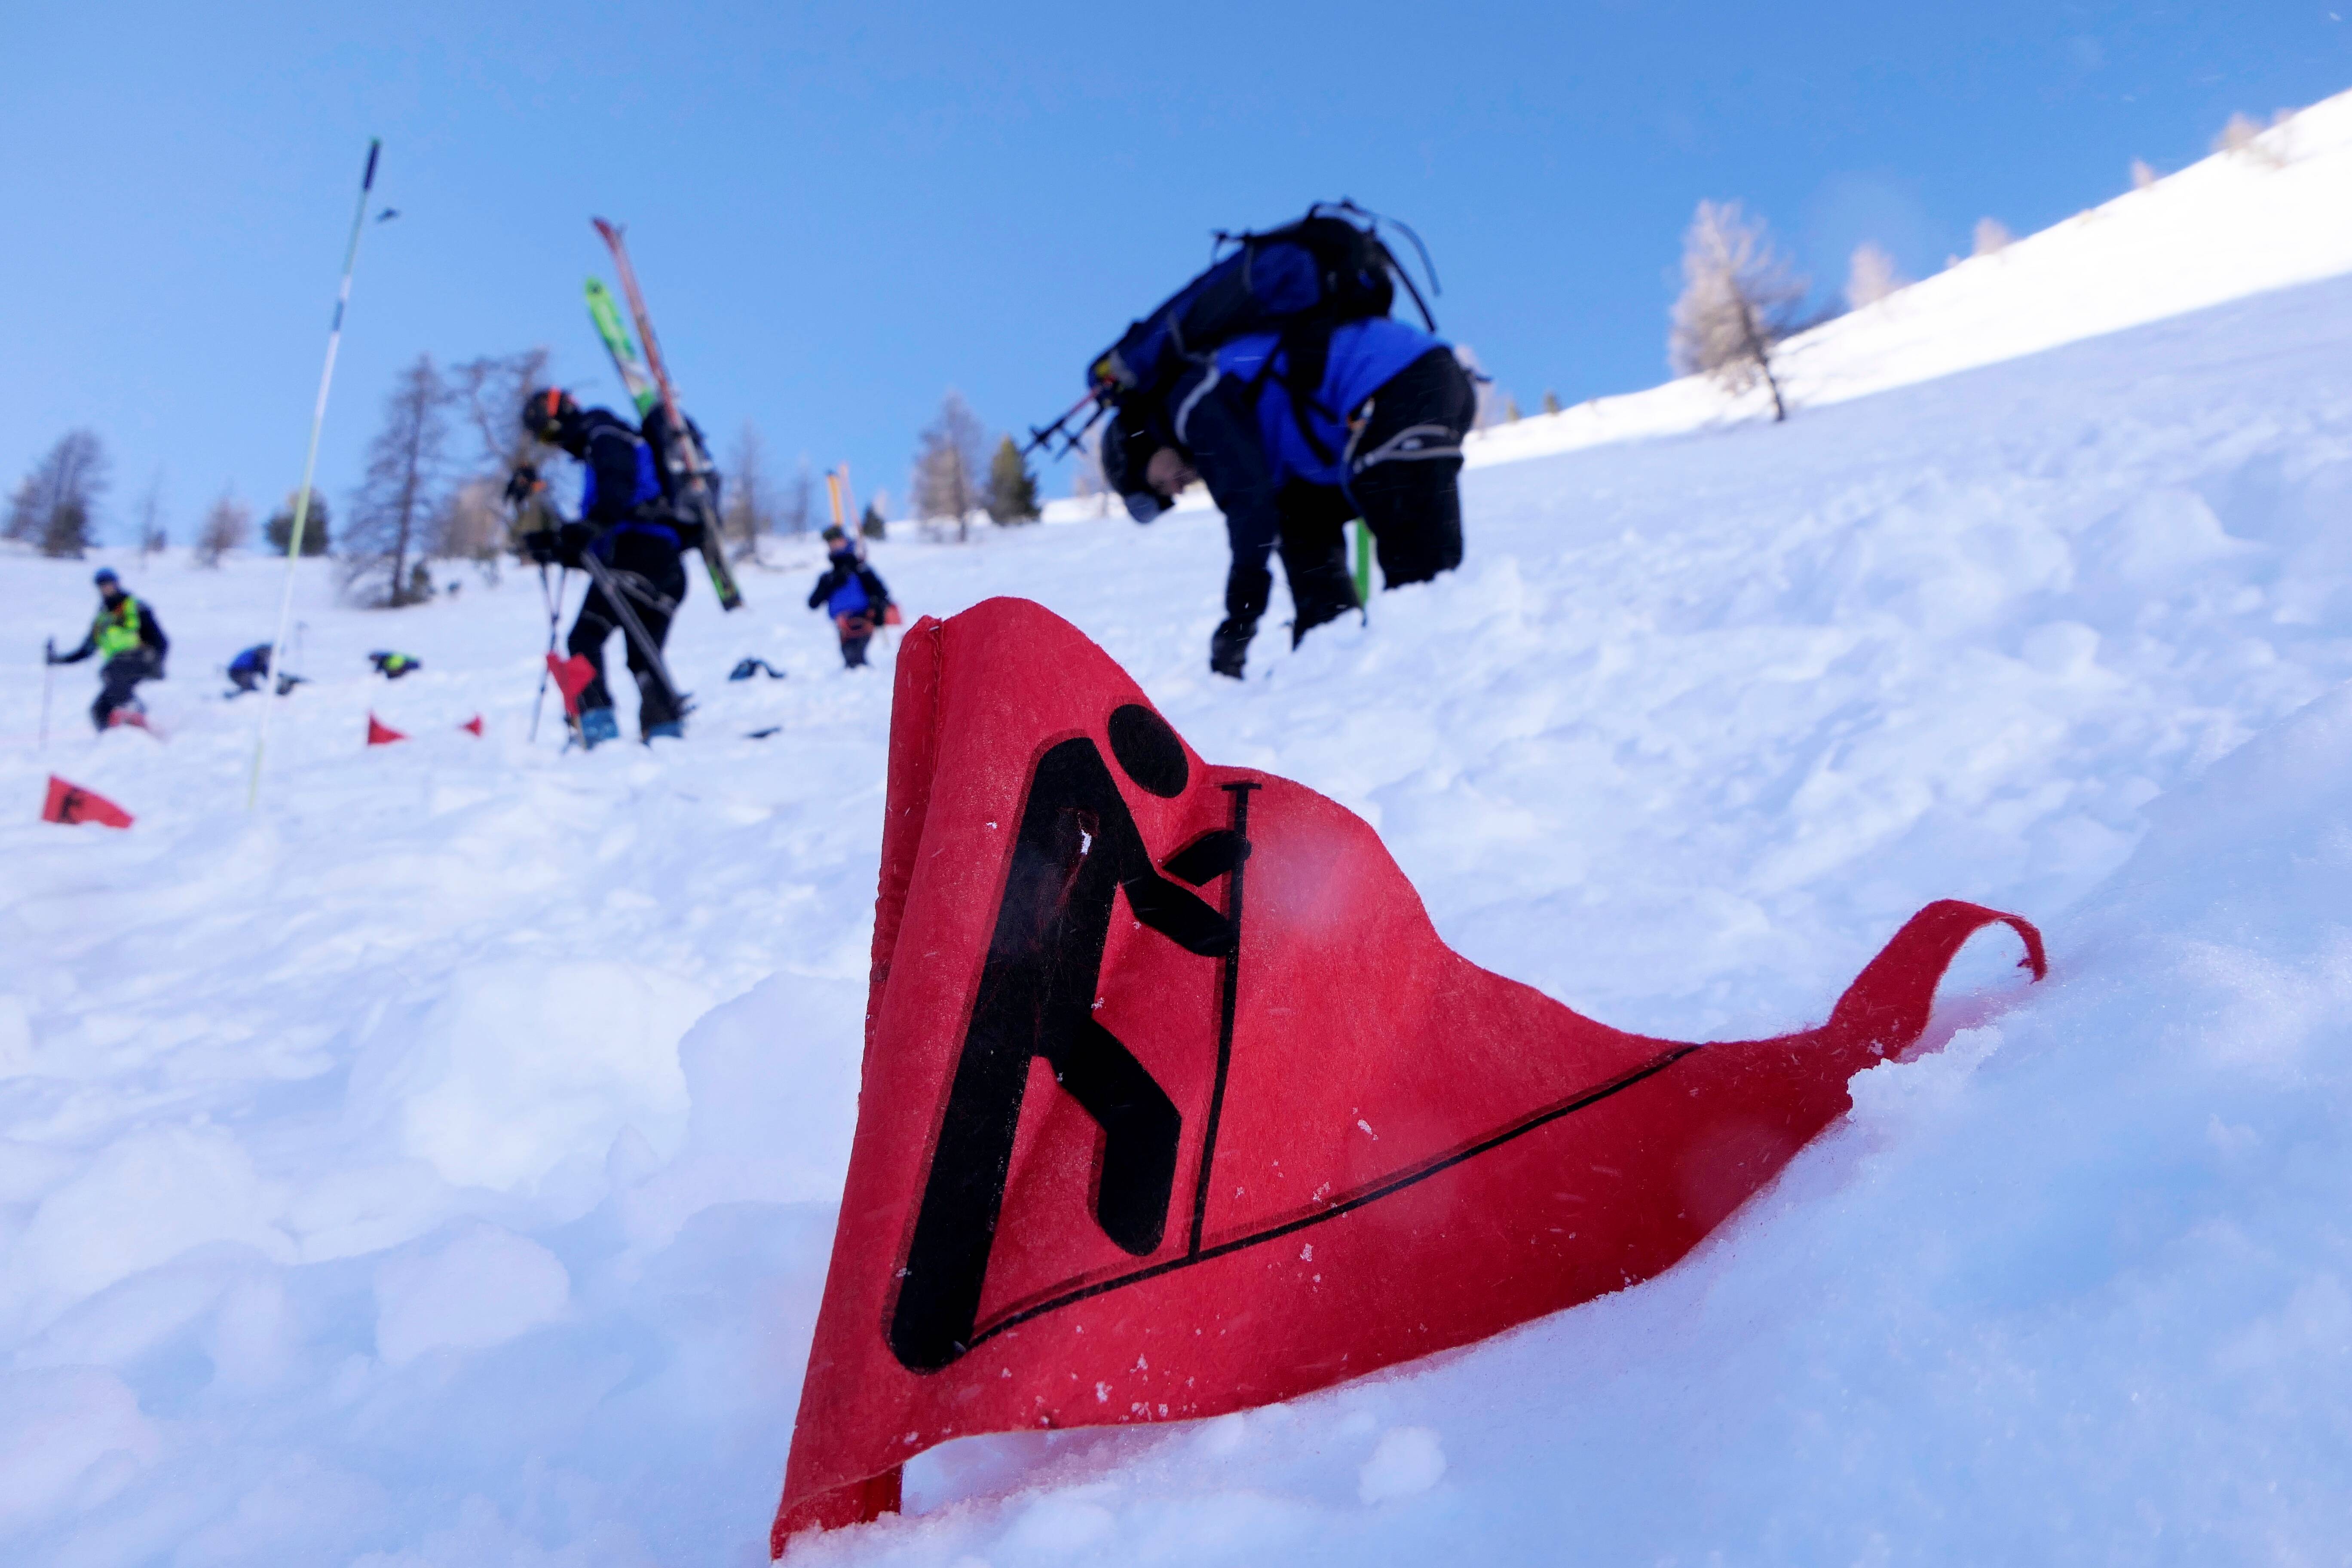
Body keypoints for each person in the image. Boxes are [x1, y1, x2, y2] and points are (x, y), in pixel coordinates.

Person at [1103, 314, 1473, 678]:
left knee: (1422, 589)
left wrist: (1238, 627)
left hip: (1404, 383)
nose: (1177, 489)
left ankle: (1441, 680)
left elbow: (1250, 506)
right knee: (1297, 522)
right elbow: (1271, 510)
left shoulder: (1193, 401)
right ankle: (1329, 653)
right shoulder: (1230, 418)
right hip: (1414, 389)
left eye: (1158, 485)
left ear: (1137, 447)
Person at [513, 387, 698, 747]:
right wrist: (556, 546)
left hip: (639, 554)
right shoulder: (608, 444)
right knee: (642, 656)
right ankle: (665, 733)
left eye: (552, 432)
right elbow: (595, 542)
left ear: (566, 415)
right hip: (665, 567)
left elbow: (616, 490)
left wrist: (591, 525)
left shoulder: (604, 434)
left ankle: (599, 728)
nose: (558, 443)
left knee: (585, 637)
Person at [49, 567, 168, 731]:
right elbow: (86, 651)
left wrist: (158, 662)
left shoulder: (135, 608)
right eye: (102, 586)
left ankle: (136, 713)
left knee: (110, 671)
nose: (106, 589)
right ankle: (113, 742)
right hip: (120, 668)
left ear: (117, 584)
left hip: (142, 658)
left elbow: (161, 640)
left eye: (109, 585)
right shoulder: (102, 621)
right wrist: (58, 660)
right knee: (100, 709)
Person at [807, 526, 893, 668]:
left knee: (855, 661)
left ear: (845, 541)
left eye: (837, 542)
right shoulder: (828, 577)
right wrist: (829, 584)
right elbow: (813, 603)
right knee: (851, 662)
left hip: (863, 620)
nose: (834, 546)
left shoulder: (860, 569)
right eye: (831, 543)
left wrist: (878, 611)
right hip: (842, 626)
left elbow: (882, 594)